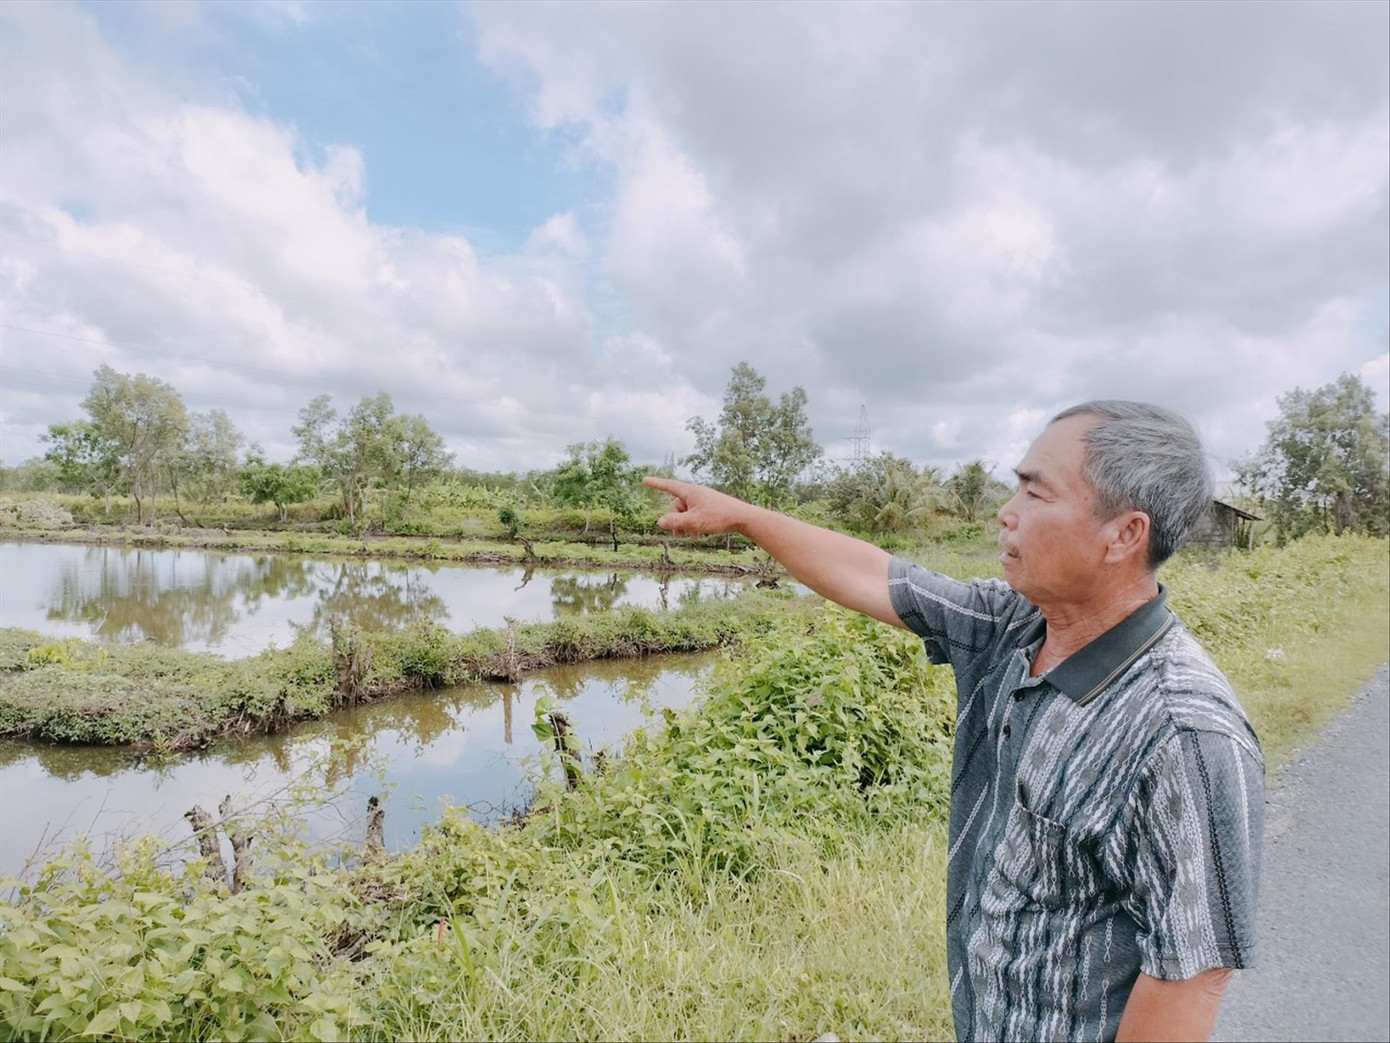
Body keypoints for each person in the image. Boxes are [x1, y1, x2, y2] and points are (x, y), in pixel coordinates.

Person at [645, 400, 1263, 1043]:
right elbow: (880, 576)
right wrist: (742, 516)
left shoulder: (1182, 735)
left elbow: (1190, 976)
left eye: (1036, 492)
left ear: (1124, 535)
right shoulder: (1014, 627)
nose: (1007, 512)